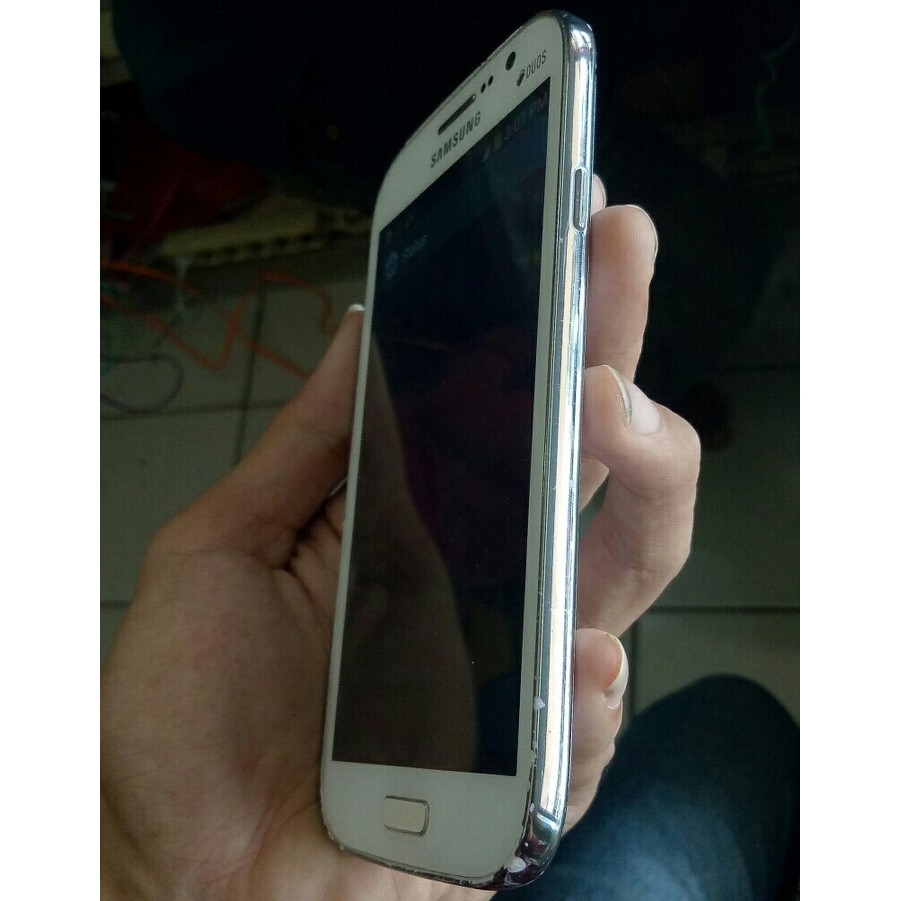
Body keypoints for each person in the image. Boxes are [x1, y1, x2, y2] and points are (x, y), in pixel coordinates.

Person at [100, 197, 798, 899]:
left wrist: (147, 874)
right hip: (465, 585)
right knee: (737, 722)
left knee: (719, 725)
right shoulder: (478, 387)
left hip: (453, 595)